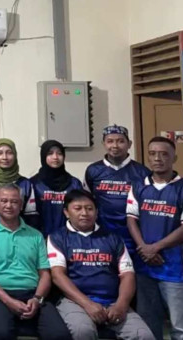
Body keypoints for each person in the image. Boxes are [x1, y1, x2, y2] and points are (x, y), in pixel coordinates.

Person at [48, 189, 154, 340]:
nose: (84, 213)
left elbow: (127, 275)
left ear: (97, 212)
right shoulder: (57, 238)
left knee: (144, 335)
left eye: (89, 208)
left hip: (113, 302)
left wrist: (121, 305)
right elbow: (58, 276)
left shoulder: (113, 238)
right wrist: (87, 304)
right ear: (66, 212)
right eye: (77, 208)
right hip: (75, 302)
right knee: (83, 331)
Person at [0, 184, 70, 340]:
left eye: (14, 201)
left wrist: (37, 299)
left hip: (33, 294)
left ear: (21, 205)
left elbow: (45, 274)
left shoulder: (36, 235)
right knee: (0, 334)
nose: (8, 205)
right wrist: (9, 301)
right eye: (4, 201)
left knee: (59, 335)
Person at [126, 136, 183, 340]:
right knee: (149, 324)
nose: (157, 158)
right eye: (152, 154)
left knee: (179, 327)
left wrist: (155, 248)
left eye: (164, 154)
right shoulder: (138, 186)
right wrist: (144, 248)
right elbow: (131, 219)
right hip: (145, 267)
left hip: (175, 268)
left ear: (174, 158)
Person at [85, 125, 150, 256]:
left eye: (120, 141)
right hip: (102, 234)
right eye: (110, 141)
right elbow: (87, 200)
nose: (115, 146)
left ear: (129, 144)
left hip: (133, 235)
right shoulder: (93, 170)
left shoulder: (142, 172)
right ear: (103, 144)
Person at [31, 140, 83, 236]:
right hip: (40, 237)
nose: (55, 157)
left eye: (59, 153)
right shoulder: (33, 183)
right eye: (50, 153)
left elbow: (80, 212)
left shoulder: (74, 183)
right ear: (43, 156)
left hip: (69, 238)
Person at [0, 138, 36, 226]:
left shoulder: (25, 184)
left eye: (9, 153)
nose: (4, 157)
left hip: (19, 232)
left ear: (15, 155)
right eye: (0, 153)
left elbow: (31, 217)